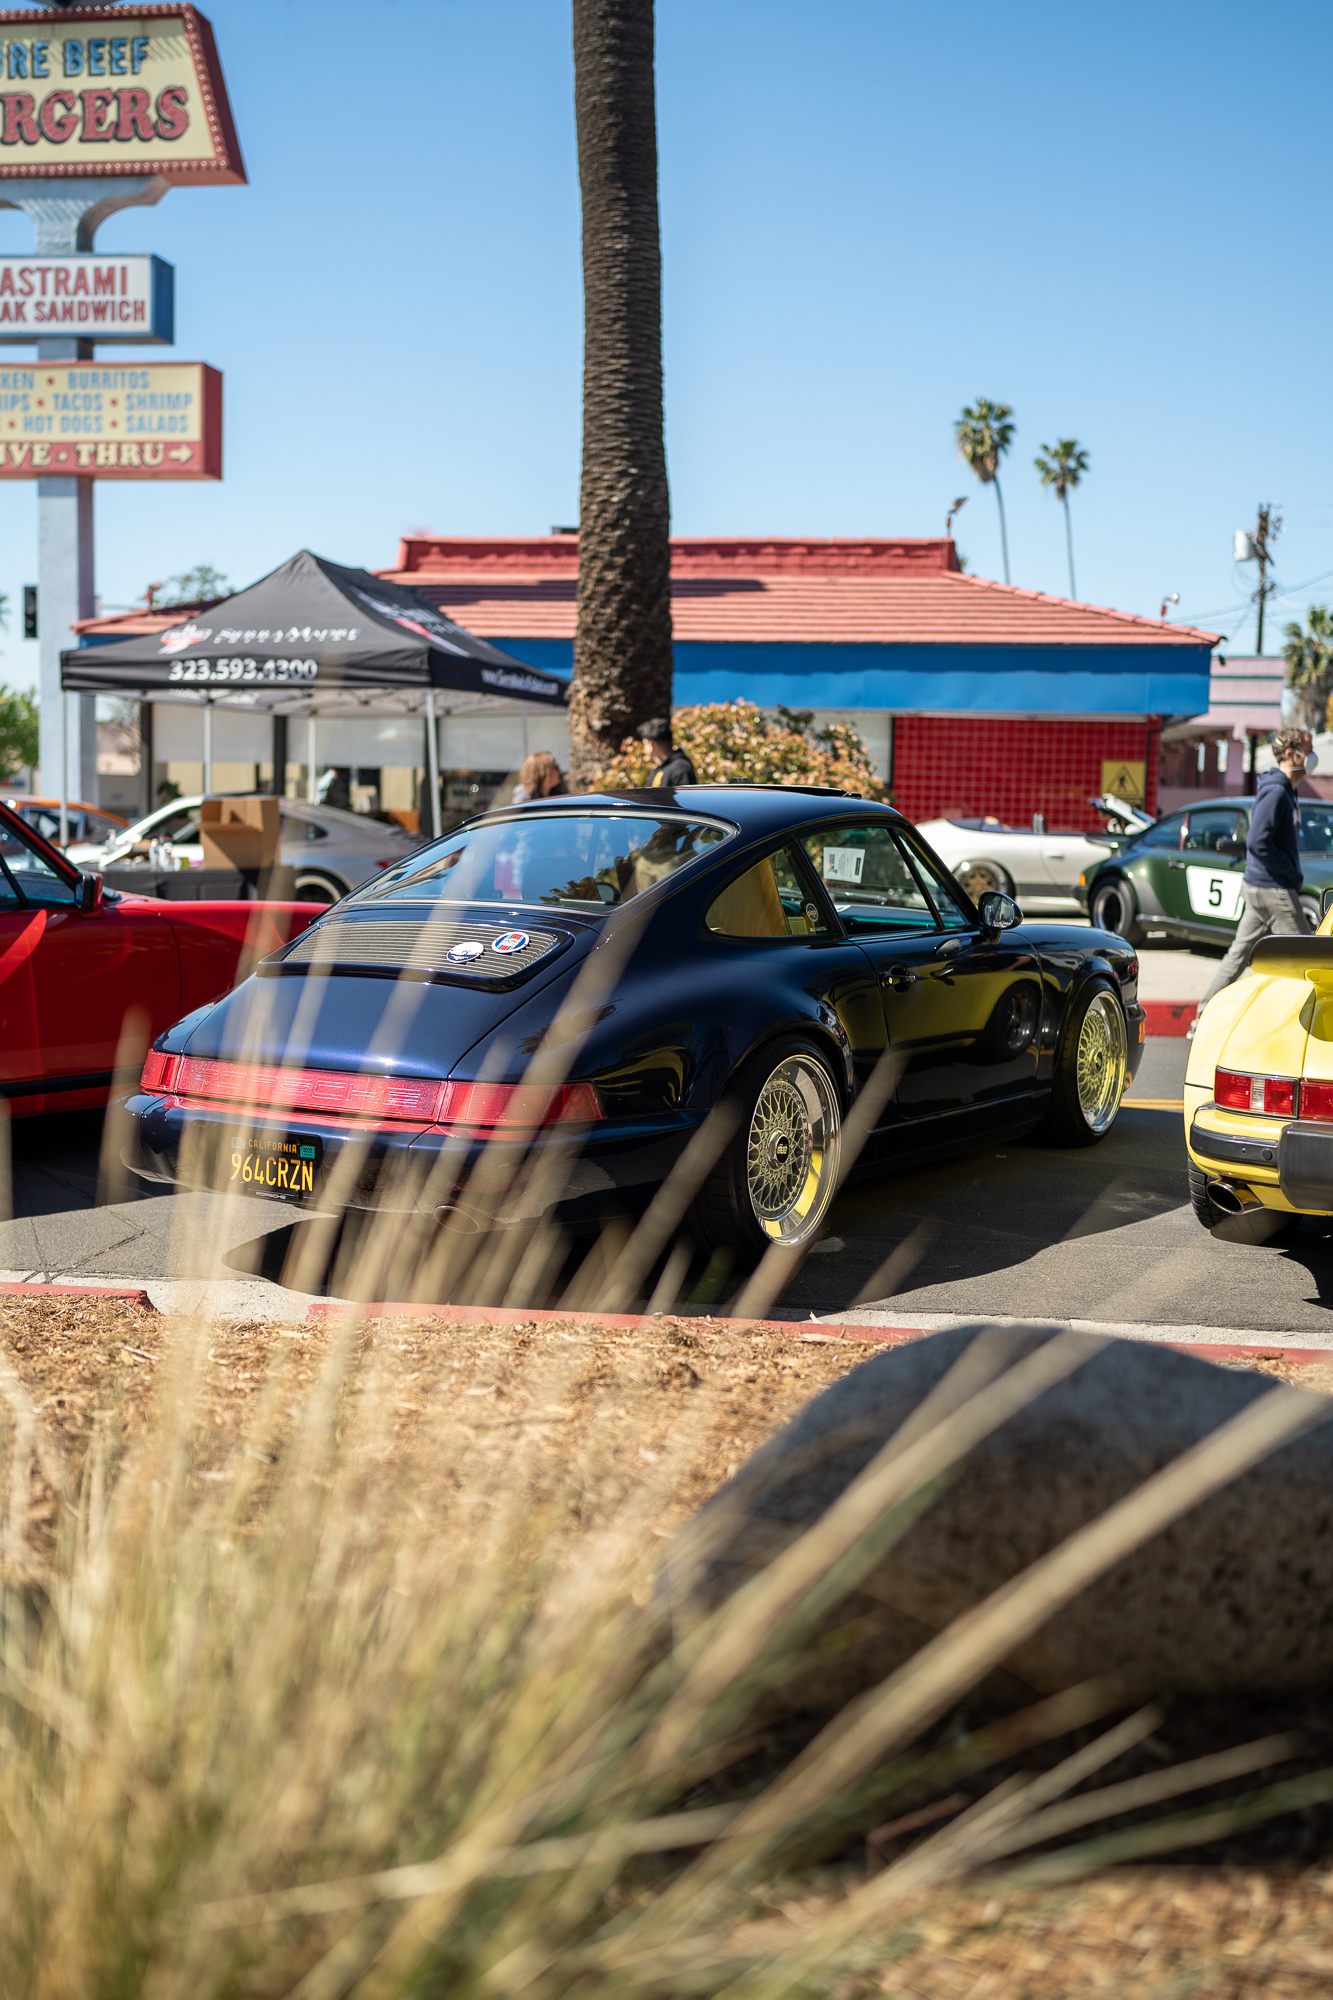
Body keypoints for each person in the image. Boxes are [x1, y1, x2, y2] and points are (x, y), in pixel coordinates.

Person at [1193, 726, 1318, 1028]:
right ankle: (1306, 1024)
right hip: (1273, 889)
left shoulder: (1285, 790)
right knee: (1309, 959)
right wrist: (1289, 873)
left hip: (1261, 886)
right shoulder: (1276, 792)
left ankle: (1202, 1018)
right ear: (1292, 754)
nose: (1312, 756)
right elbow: (1257, 842)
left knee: (1239, 955)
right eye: (1308, 749)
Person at [640, 717, 697, 788]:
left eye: (644, 744)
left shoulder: (680, 768)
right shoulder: (658, 769)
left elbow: (686, 798)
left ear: (651, 745)